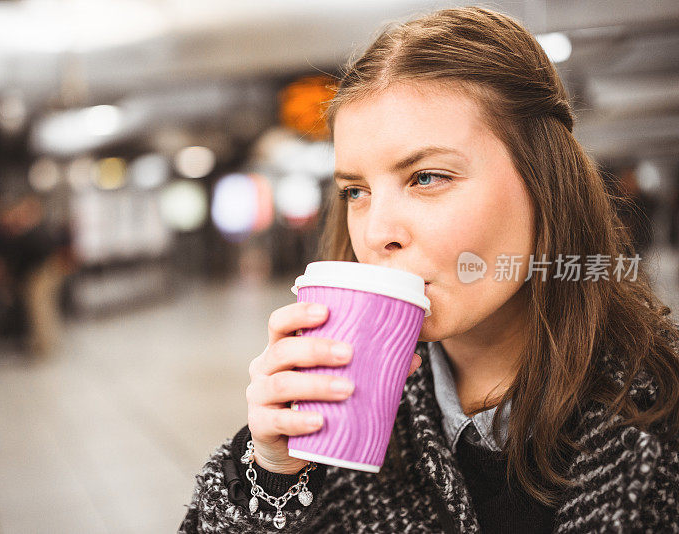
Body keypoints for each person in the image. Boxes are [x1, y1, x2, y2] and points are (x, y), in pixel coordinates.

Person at [179, 7, 679, 533]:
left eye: (426, 178)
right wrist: (270, 478)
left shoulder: (657, 430)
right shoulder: (336, 423)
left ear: (544, 184)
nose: (376, 233)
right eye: (356, 191)